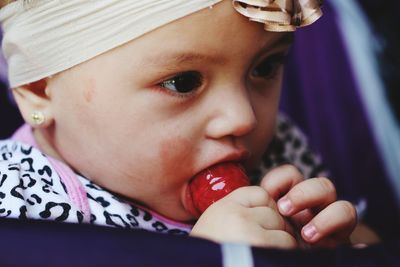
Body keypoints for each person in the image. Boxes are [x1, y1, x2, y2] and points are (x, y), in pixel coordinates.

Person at [0, 0, 358, 249]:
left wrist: (325, 247)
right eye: (182, 82)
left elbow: (373, 247)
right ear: (39, 90)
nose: (242, 117)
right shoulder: (17, 201)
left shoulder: (279, 152)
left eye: (264, 68)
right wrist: (204, 257)